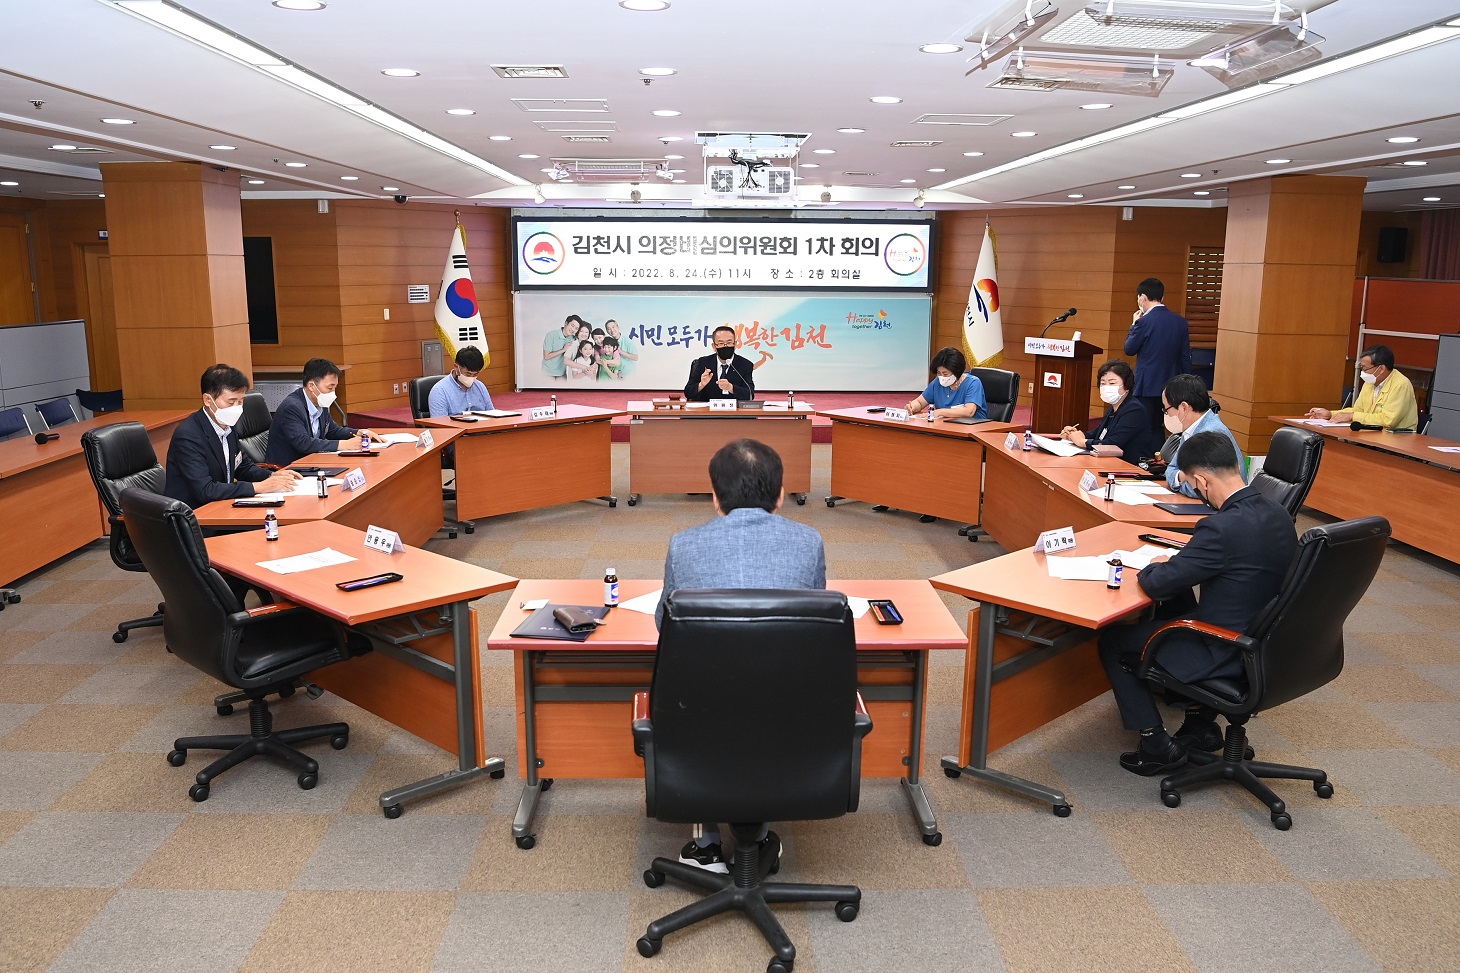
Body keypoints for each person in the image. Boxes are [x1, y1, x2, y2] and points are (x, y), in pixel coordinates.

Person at [656, 438, 825, 874]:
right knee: (764, 703)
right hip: (789, 713)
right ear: (781, 496)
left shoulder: (683, 544)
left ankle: (707, 845)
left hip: (700, 712)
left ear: (715, 498)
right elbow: (813, 627)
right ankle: (760, 834)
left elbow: (664, 624)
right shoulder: (809, 542)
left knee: (710, 704)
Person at [1097, 431, 1297, 775]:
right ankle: (1200, 724)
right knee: (1179, 600)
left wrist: (1155, 566)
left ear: (1202, 481)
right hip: (1268, 640)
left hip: (1225, 647)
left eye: (1192, 484)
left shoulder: (1221, 528)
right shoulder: (1278, 513)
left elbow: (1158, 583)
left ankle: (1156, 745)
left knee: (1113, 641)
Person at [164, 364, 299, 508]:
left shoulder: (227, 426)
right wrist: (258, 487)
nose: (237, 408)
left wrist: (271, 476)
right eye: (231, 402)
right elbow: (205, 490)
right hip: (196, 513)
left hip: (222, 504)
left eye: (240, 402)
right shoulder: (188, 436)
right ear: (208, 400)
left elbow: (243, 468)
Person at [265, 358, 378, 465]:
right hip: (288, 469)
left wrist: (359, 432)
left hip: (312, 462)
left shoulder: (319, 402)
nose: (333, 393)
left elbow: (333, 431)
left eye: (335, 388)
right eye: (330, 388)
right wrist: (343, 444)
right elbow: (303, 443)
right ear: (311, 386)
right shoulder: (291, 407)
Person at [1125, 278, 1192, 437]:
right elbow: (1185, 357)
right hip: (1171, 385)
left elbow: (1129, 349)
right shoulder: (1180, 322)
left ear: (1142, 298)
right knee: (1160, 426)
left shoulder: (1143, 321)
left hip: (1146, 385)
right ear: (1162, 297)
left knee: (1143, 426)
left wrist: (1134, 325)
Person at [1160, 374, 1243, 498]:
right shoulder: (1191, 429)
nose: (1167, 414)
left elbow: (1200, 491)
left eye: (1167, 410)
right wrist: (1182, 477)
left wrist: (1179, 480)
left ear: (1184, 407)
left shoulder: (1211, 433)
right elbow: (1171, 470)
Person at [1306, 344, 1418, 431]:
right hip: (1371, 436)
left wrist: (1353, 416)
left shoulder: (1401, 385)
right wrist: (1331, 414)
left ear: (1381, 369)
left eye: (1365, 368)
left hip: (1396, 441)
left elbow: (1388, 420)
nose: (1363, 372)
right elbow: (1358, 410)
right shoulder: (1370, 382)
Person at [1061, 359, 1154, 459]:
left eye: (1112, 383)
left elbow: (1113, 444)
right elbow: (1098, 433)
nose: (1106, 387)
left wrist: (1082, 442)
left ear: (1127, 385)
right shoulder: (1113, 407)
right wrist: (1075, 435)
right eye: (1103, 383)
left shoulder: (1134, 410)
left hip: (1129, 464)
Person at [905, 346, 987, 420]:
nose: (941, 377)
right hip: (944, 426)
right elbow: (920, 402)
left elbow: (969, 412)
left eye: (945, 374)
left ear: (957, 371)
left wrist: (939, 412)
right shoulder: (937, 382)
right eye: (939, 373)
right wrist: (913, 407)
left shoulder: (973, 383)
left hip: (972, 427)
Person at [685, 325, 754, 401]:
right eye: (721, 343)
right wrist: (701, 384)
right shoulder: (703, 363)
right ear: (714, 346)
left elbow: (750, 395)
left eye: (729, 343)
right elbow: (688, 392)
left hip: (734, 408)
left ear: (735, 344)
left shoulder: (745, 365)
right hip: (708, 408)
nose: (725, 346)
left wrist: (730, 387)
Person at [428, 345, 494, 417]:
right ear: (456, 367)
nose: (471, 378)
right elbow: (439, 422)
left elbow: (492, 414)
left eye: (475, 374)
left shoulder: (480, 387)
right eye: (468, 374)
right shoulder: (440, 391)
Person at [542, 315, 581, 379]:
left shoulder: (573, 339)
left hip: (562, 373)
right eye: (572, 325)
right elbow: (546, 356)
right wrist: (563, 350)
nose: (573, 329)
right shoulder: (552, 334)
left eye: (576, 328)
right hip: (547, 373)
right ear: (566, 323)